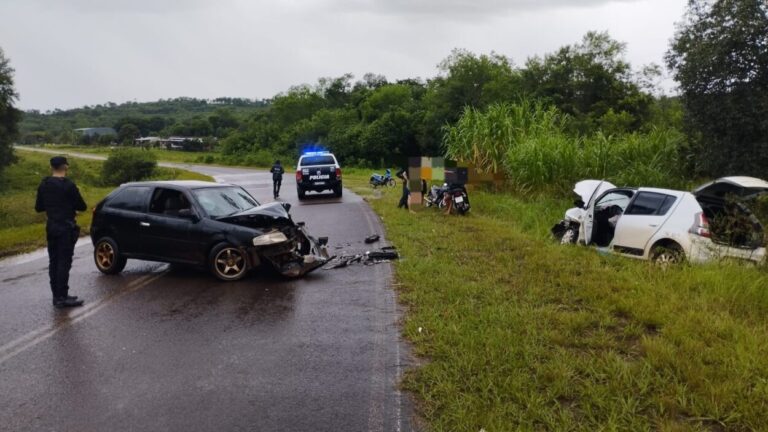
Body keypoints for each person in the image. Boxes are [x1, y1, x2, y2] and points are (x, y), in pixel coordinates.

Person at [35, 156, 87, 308]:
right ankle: (62, 298)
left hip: (51, 226)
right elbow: (82, 206)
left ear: (51, 167)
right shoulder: (69, 185)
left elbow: (39, 207)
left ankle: (57, 295)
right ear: (65, 167)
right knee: (64, 262)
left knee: (54, 261)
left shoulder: (44, 184)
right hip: (65, 228)